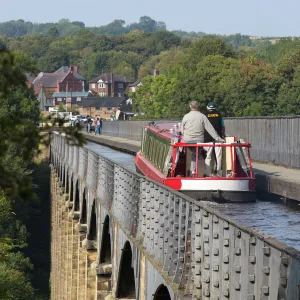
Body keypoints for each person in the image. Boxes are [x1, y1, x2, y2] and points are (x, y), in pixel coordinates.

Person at [181, 100, 224, 177]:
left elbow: (182, 130)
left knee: (195, 152)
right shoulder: (203, 116)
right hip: (199, 140)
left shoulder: (185, 116)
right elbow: (210, 129)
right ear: (198, 107)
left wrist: (186, 135)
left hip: (187, 140)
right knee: (202, 152)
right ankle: (210, 172)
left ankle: (192, 171)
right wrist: (218, 138)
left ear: (190, 107)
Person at [204, 101, 225, 176]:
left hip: (207, 138)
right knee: (218, 156)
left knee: (208, 156)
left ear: (207, 107)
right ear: (215, 107)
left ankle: (207, 172)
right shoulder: (219, 114)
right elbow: (222, 126)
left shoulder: (205, 115)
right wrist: (223, 135)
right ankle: (219, 172)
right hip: (218, 138)